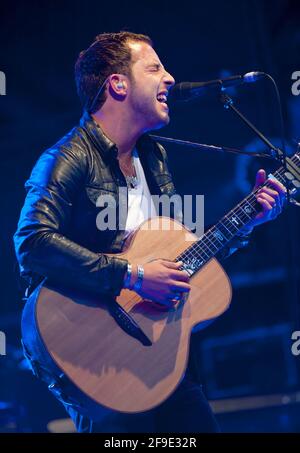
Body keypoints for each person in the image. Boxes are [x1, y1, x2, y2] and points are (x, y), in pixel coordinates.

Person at [14, 31, 286, 433]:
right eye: (155, 67)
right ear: (117, 84)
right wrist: (134, 276)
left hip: (161, 357)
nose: (171, 78)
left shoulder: (153, 156)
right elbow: (32, 242)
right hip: (97, 357)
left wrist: (249, 221)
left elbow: (183, 256)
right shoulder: (67, 157)